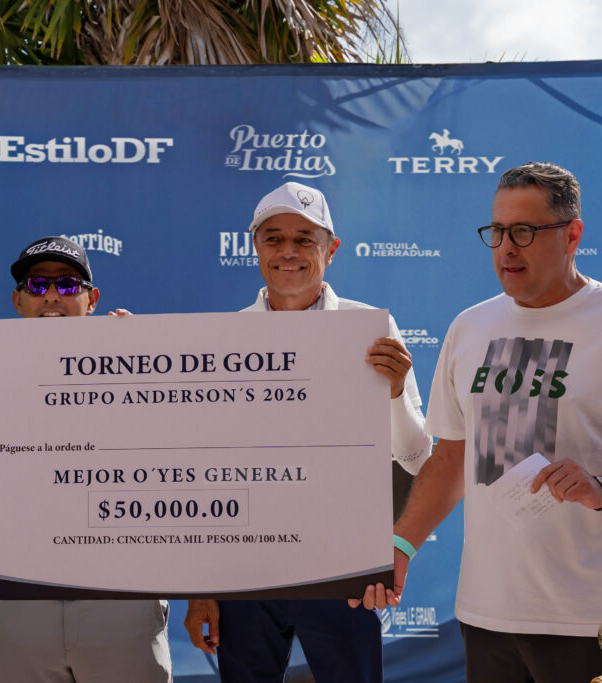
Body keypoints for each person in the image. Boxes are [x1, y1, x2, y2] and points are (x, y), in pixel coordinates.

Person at [354, 162, 602, 682]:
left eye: (523, 231)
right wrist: (401, 545)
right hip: (485, 616)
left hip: (591, 621)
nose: (506, 249)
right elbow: (451, 457)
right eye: (496, 232)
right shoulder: (469, 327)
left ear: (572, 235)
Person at [184, 182, 432, 683]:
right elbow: (205, 470)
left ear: (331, 249)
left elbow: (414, 456)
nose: (288, 252)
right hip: (245, 570)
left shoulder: (372, 330)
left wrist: (393, 395)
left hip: (342, 565)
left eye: (304, 239)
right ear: (255, 247)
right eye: (274, 238)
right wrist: (202, 586)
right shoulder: (223, 338)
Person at [0, 236, 172, 683]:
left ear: (92, 299)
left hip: (120, 597)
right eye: (37, 284)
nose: (51, 295)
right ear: (18, 300)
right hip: (16, 599)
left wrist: (147, 371)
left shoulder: (138, 363)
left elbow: (179, 459)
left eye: (67, 285)